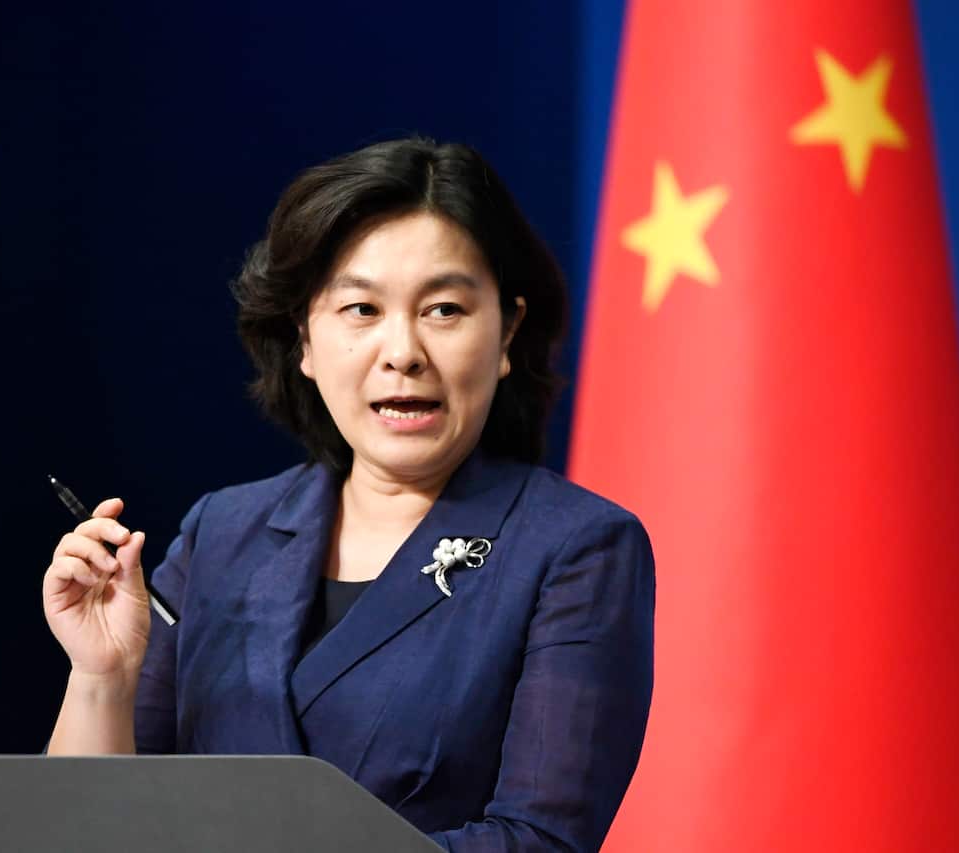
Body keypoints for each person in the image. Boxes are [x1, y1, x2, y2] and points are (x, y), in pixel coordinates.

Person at [41, 137, 654, 852]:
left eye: (445, 309)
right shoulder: (224, 531)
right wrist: (102, 677)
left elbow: (541, 840)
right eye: (361, 309)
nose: (402, 350)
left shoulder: (574, 548)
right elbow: (87, 828)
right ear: (304, 336)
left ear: (508, 330)